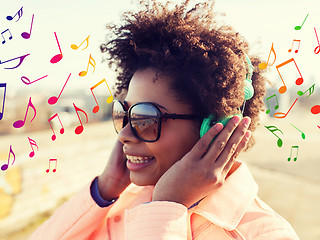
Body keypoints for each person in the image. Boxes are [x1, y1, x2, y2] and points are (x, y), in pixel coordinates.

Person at [29, 0, 299, 239]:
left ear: (213, 130)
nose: (124, 134)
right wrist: (104, 189)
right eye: (124, 114)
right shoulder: (125, 203)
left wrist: (166, 208)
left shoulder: (264, 234)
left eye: (145, 118)